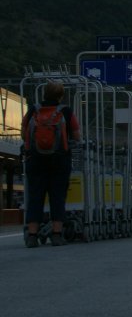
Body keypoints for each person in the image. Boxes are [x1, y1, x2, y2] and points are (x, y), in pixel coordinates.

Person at [21, 81, 81, 247]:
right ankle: (56, 234)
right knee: (57, 197)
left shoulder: (34, 110)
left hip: (35, 160)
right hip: (59, 161)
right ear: (61, 95)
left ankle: (32, 236)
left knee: (35, 197)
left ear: (44, 94)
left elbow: (23, 133)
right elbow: (76, 136)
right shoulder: (66, 112)